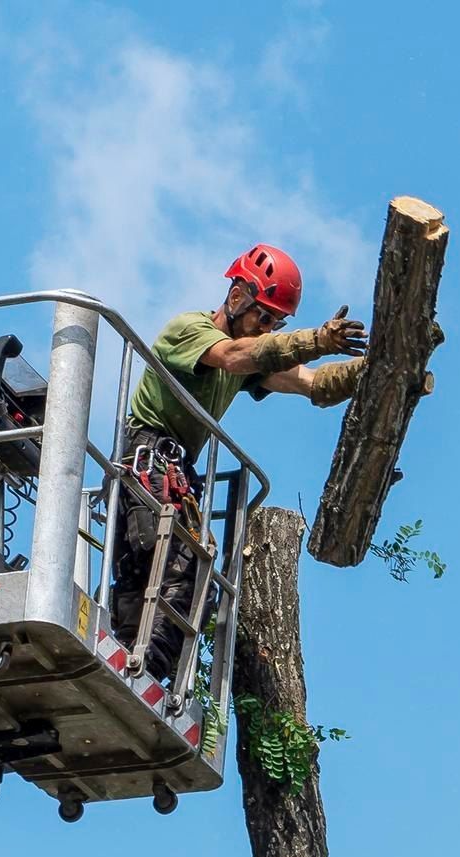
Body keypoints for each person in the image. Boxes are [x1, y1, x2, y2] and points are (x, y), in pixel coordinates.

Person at [111, 243, 369, 683]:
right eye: (263, 317)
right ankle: (143, 674)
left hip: (176, 470)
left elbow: (312, 384)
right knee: (179, 563)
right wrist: (315, 340)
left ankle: (137, 667)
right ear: (236, 298)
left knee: (179, 576)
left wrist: (374, 371)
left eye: (275, 323)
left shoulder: (247, 360)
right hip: (147, 456)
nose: (267, 328)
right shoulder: (189, 330)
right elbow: (235, 356)